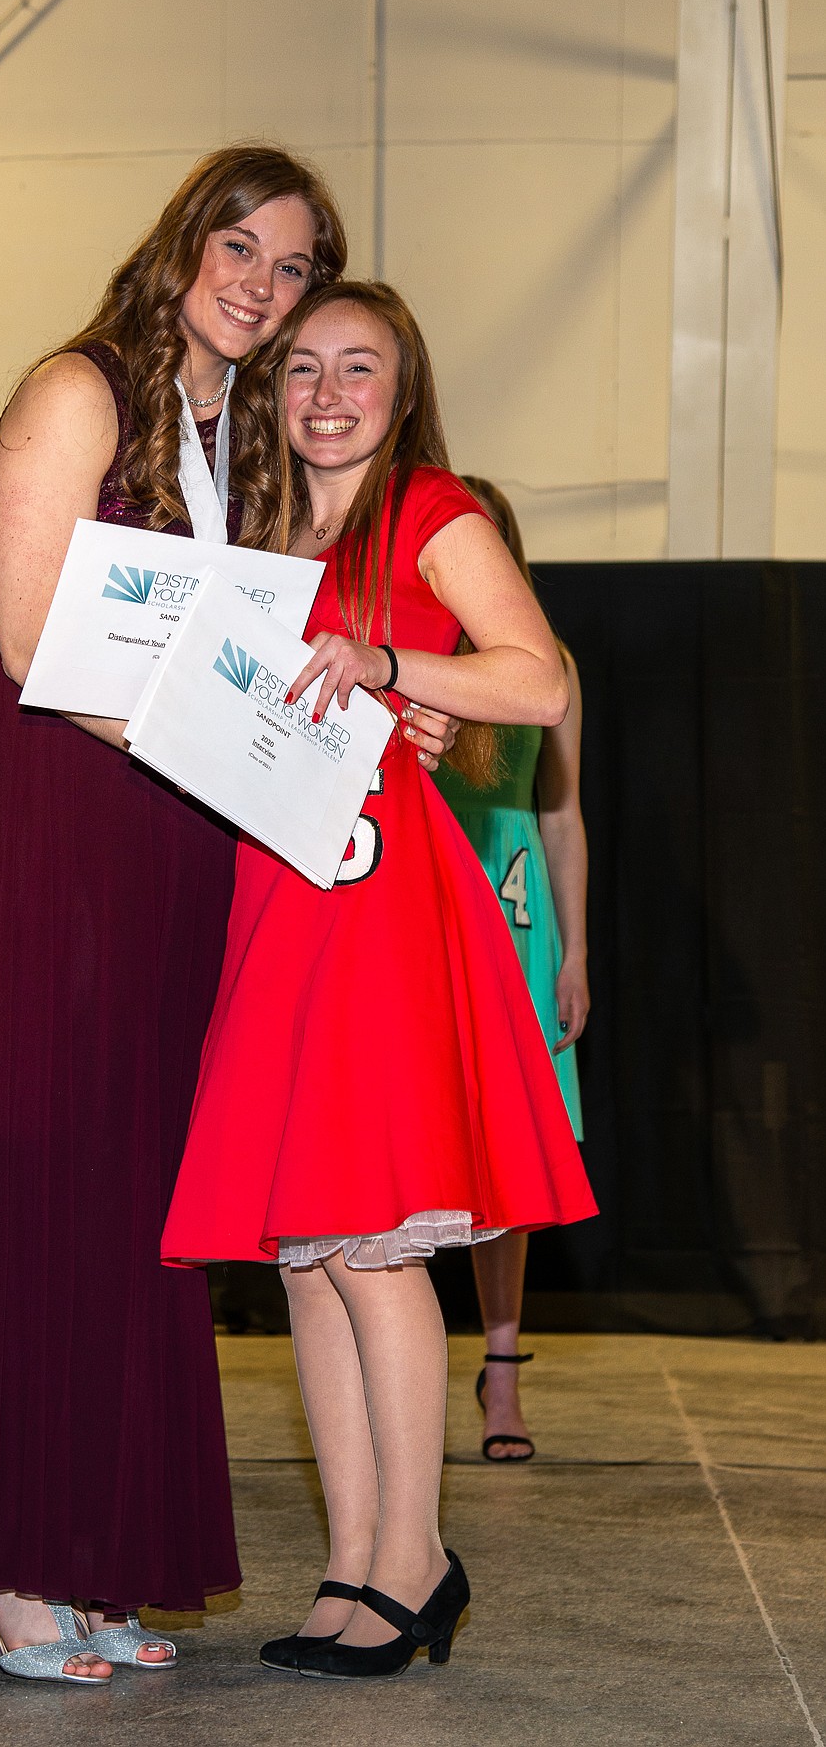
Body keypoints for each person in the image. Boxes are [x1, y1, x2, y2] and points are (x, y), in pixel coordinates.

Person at [0, 145, 450, 1686]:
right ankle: (5, 1564)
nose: (260, 282)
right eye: (239, 247)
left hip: (177, 840)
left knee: (138, 1212)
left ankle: (94, 1550)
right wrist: (231, 749)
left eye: (291, 264)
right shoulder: (79, 388)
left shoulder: (229, 428)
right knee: (33, 1176)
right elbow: (38, 635)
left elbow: (268, 651)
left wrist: (369, 726)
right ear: (184, 242)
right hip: (60, 824)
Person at [160, 282, 598, 1682]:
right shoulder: (265, 533)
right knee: (308, 1251)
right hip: (275, 893)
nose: (326, 390)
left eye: (358, 367)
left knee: (376, 1238)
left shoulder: (429, 510)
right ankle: (352, 1560)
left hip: (379, 896)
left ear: (400, 391)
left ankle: (414, 1556)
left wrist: (394, 663)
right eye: (301, 368)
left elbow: (538, 683)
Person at [435, 476, 589, 1462]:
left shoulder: (551, 663)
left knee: (510, 1157)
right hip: (422, 906)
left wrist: (578, 951)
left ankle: (501, 1368)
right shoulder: (408, 652)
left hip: (519, 914)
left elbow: (563, 812)